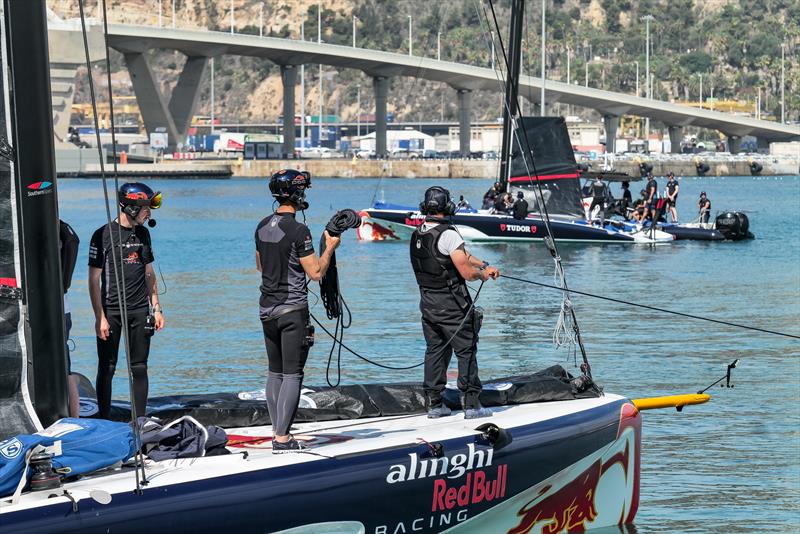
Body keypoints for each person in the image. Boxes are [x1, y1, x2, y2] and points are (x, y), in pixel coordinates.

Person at [256, 169, 340, 453]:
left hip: (266, 309)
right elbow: (315, 272)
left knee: (274, 372)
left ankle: (276, 429)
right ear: (298, 195)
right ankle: (282, 439)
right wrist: (329, 248)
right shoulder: (299, 230)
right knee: (293, 374)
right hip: (292, 311)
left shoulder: (261, 226)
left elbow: (260, 266)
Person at [410, 186, 500, 420]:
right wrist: (483, 274)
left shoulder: (419, 232)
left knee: (435, 350)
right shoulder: (448, 233)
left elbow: (462, 255)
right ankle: (471, 405)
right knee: (466, 349)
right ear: (447, 207)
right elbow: (465, 271)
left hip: (428, 303)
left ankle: (435, 404)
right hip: (451, 304)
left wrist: (483, 264)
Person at [89, 183, 164, 421]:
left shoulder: (143, 234)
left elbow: (149, 273)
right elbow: (93, 280)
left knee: (139, 367)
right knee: (107, 367)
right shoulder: (102, 235)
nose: (149, 213)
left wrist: (156, 307)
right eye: (145, 208)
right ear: (131, 207)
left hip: (140, 310)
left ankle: (140, 422)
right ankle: (103, 419)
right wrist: (99, 317)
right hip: (111, 311)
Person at [60, 220, 80, 417]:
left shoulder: (60, 228)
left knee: (65, 366)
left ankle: (75, 419)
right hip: (59, 305)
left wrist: (63, 283)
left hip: (58, 307)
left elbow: (73, 240)